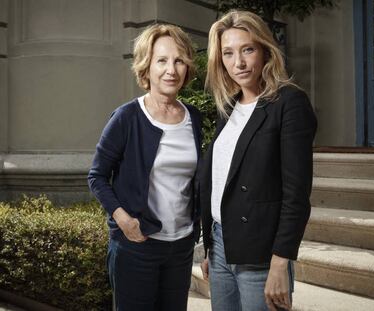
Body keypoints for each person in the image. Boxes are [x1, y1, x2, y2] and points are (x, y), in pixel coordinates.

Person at [199, 10, 317, 311]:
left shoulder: (289, 103)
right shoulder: (229, 106)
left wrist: (281, 262)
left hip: (263, 254)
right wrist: (210, 248)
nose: (238, 62)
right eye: (228, 53)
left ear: (265, 49)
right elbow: (218, 180)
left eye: (247, 49)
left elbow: (296, 195)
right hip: (221, 244)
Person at [88, 24, 202, 311]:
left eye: (178, 61)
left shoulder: (194, 118)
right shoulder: (127, 117)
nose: (171, 70)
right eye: (161, 60)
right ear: (146, 67)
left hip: (180, 246)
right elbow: (97, 176)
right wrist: (123, 220)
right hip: (136, 245)